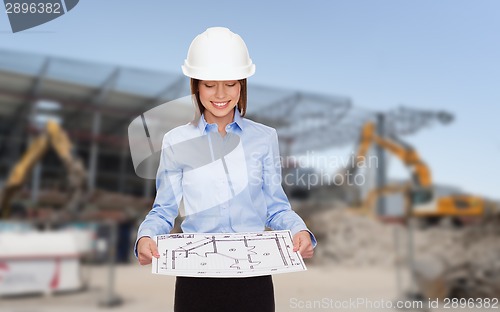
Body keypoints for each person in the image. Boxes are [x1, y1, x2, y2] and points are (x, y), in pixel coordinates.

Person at [135, 27, 316, 312]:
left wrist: (299, 229)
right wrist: (146, 236)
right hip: (196, 278)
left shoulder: (264, 138)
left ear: (242, 85)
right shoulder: (176, 141)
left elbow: (275, 207)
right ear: (196, 85)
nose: (221, 94)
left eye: (230, 84)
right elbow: (164, 209)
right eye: (209, 84)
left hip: (253, 279)